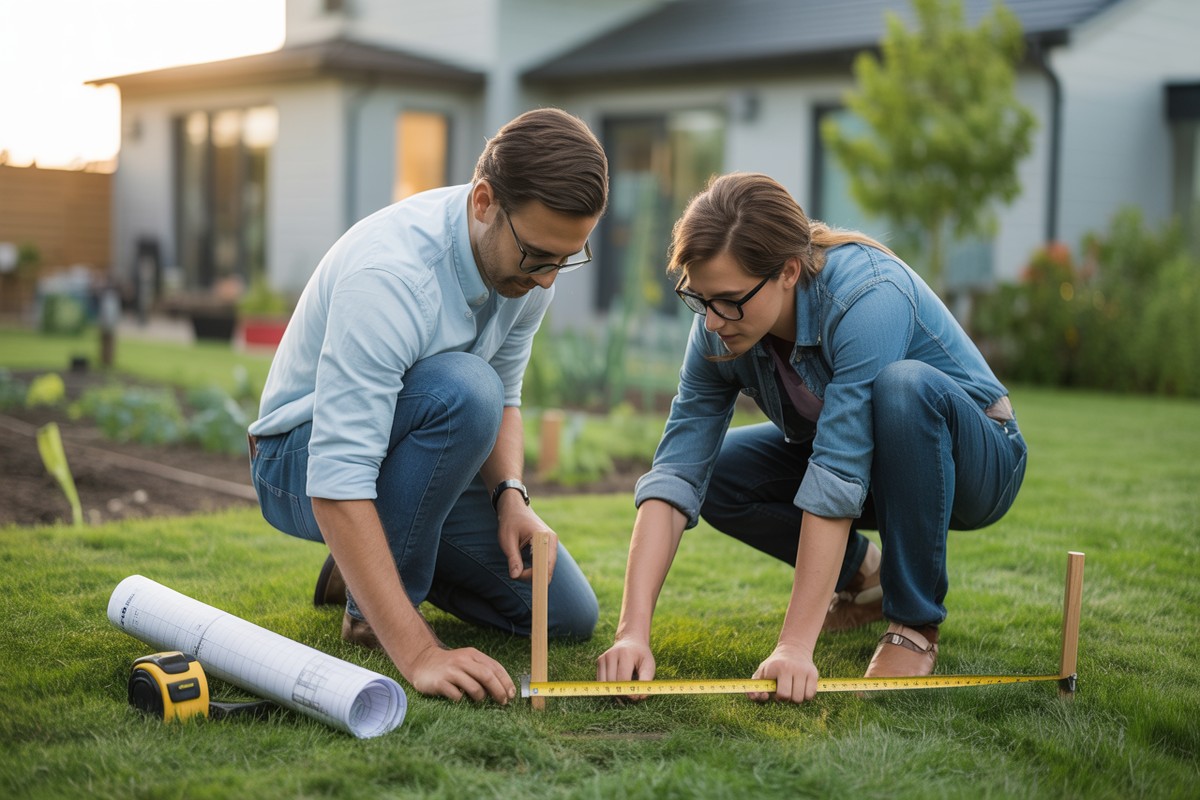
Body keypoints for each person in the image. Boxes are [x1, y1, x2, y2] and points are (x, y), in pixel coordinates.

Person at [595, 172, 1027, 703]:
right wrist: (631, 634)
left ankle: (913, 625)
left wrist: (795, 647)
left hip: (979, 464)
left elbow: (838, 470)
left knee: (904, 387)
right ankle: (863, 576)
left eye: (728, 300)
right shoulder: (719, 322)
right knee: (720, 474)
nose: (711, 321)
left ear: (788, 272)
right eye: (699, 298)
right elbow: (676, 472)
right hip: (879, 473)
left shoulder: (868, 296)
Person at [248, 108, 607, 704]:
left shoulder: (527, 265)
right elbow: (338, 478)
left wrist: (509, 495)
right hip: (295, 462)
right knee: (466, 389)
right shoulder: (389, 277)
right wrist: (419, 654)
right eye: (540, 257)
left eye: (567, 259)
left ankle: (366, 559)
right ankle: (371, 613)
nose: (548, 281)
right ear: (485, 201)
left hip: (402, 449)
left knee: (565, 615)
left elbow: (509, 398)